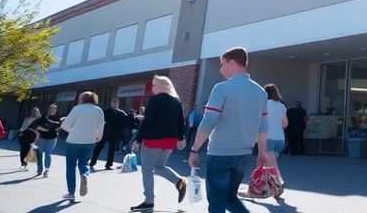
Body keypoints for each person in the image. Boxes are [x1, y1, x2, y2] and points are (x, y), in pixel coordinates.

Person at [188, 46, 269, 213]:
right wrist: (262, 153)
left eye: (221, 64)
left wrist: (194, 149)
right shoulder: (261, 92)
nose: (220, 69)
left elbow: (208, 121)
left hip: (220, 153)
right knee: (229, 197)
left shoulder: (221, 88)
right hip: (244, 154)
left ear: (232, 63)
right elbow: (263, 126)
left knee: (217, 202)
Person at [130, 75, 188, 211]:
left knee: (147, 170)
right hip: (169, 142)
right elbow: (180, 121)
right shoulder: (176, 101)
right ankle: (179, 181)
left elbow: (148, 121)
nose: (152, 87)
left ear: (162, 85)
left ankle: (149, 202)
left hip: (152, 140)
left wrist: (138, 140)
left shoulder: (155, 100)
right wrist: (181, 138)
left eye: (154, 85)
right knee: (159, 167)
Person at [59, 91, 105, 202]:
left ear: (82, 99)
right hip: (90, 141)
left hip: (74, 141)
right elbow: (100, 128)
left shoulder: (77, 109)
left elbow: (65, 125)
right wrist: (98, 137)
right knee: (84, 164)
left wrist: (72, 130)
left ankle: (71, 193)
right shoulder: (99, 111)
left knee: (70, 167)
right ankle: (84, 175)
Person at [89, 98, 127, 170]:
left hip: (114, 133)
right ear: (111, 103)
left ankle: (109, 164)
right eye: (113, 102)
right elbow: (100, 121)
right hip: (104, 132)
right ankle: (92, 162)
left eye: (116, 103)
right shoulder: (105, 111)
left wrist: (120, 131)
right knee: (98, 148)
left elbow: (123, 123)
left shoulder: (121, 113)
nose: (115, 104)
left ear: (118, 104)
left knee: (112, 150)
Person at [29, 104, 61, 178]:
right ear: (48, 110)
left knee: (48, 154)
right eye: (51, 109)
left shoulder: (58, 119)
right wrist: (44, 130)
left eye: (54, 109)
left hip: (52, 139)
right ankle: (39, 169)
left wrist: (45, 128)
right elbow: (34, 126)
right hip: (41, 139)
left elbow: (55, 128)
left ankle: (46, 170)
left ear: (56, 111)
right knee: (39, 154)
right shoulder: (43, 118)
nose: (52, 111)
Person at [264, 84, 288, 170]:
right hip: (280, 139)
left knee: (272, 168)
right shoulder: (281, 106)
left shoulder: (264, 104)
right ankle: (268, 182)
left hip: (268, 137)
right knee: (268, 167)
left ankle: (278, 182)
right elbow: (285, 124)